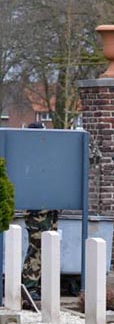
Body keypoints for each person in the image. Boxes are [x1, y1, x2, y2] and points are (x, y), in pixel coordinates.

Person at [22, 122, 59, 302]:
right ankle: (29, 287)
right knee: (37, 246)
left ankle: (39, 287)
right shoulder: (28, 155)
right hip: (37, 209)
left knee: (48, 247)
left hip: (50, 207)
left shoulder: (45, 155)